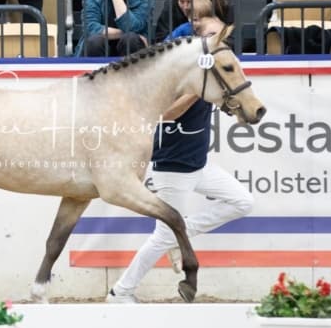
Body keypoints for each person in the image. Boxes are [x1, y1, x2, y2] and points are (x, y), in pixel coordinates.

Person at [106, 20, 255, 303]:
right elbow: (164, 114)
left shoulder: (214, 76)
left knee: (243, 202)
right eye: (212, 35)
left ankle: (179, 234)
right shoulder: (178, 77)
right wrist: (193, 93)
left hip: (199, 163)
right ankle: (120, 292)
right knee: (161, 237)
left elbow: (234, 97)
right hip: (172, 167)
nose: (218, 40)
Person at [155, 0, 231, 43]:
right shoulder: (171, 6)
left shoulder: (220, 5)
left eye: (189, 1)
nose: (185, 7)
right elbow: (161, 40)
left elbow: (234, 38)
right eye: (181, 1)